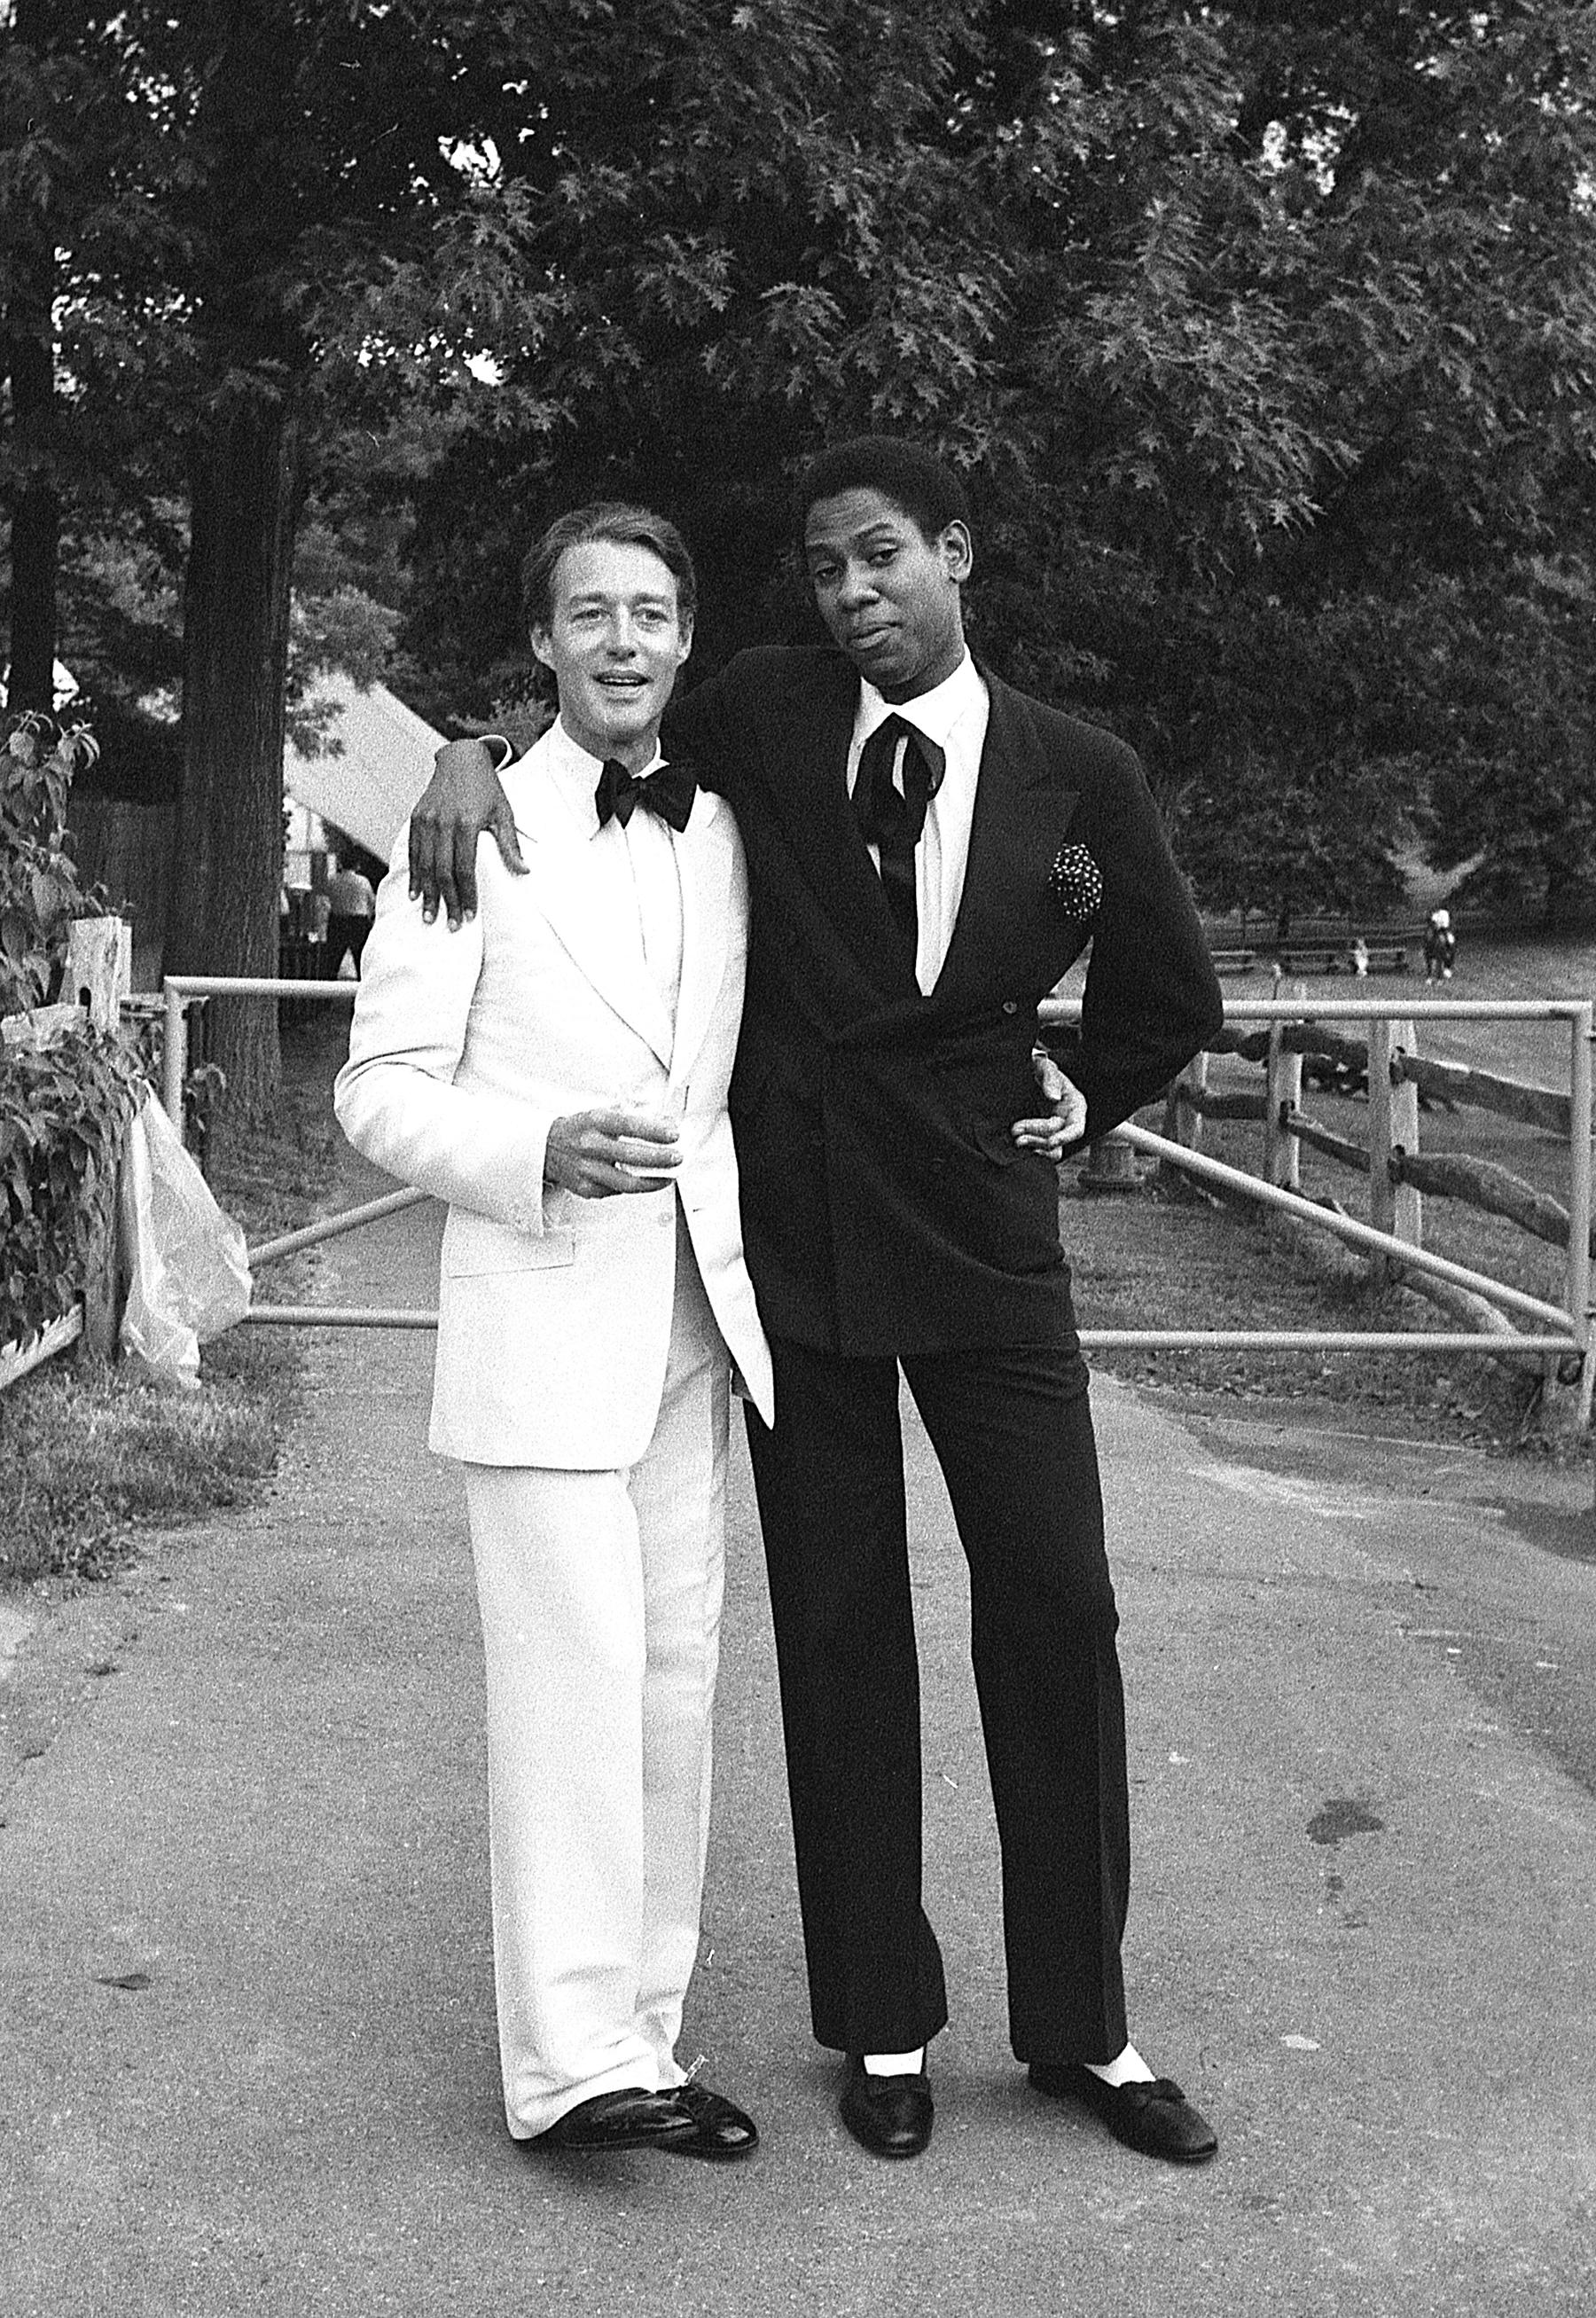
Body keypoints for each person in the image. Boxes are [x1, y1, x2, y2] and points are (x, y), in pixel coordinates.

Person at [411, 436, 1224, 2166]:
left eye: (882, 559)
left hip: (992, 1238)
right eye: (826, 568)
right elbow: (596, 708)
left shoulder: (1081, 773)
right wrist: (462, 753)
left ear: (956, 552)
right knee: (842, 1627)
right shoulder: (769, 714)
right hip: (806, 1246)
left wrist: (1095, 1092)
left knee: (1060, 1606)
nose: (853, 593)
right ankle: (880, 2017)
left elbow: (1167, 983)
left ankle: (1089, 2021)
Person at [334, 502, 772, 2161]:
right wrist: (529, 1157)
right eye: (589, 613)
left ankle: (641, 2036)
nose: (623, 641)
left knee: (672, 1686)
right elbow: (374, 1086)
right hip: (536, 1324)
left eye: (652, 613)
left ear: (682, 638)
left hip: (690, 1328)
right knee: (567, 1692)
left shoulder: (729, 823)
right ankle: (564, 2062)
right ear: (540, 643)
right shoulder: (470, 831)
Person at [325, 854, 378, 977]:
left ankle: (327, 989)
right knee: (361, 959)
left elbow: (328, 898)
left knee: (333, 960)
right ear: (357, 865)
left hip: (337, 920)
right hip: (358, 922)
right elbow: (371, 901)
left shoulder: (333, 880)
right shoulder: (363, 881)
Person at [1424, 908, 1457, 984]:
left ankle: (1447, 964)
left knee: (1450, 940)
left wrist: (1441, 927)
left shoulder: (1445, 914)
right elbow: (1431, 924)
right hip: (1435, 931)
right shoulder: (1434, 915)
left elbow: (1446, 926)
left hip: (1443, 930)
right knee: (1428, 938)